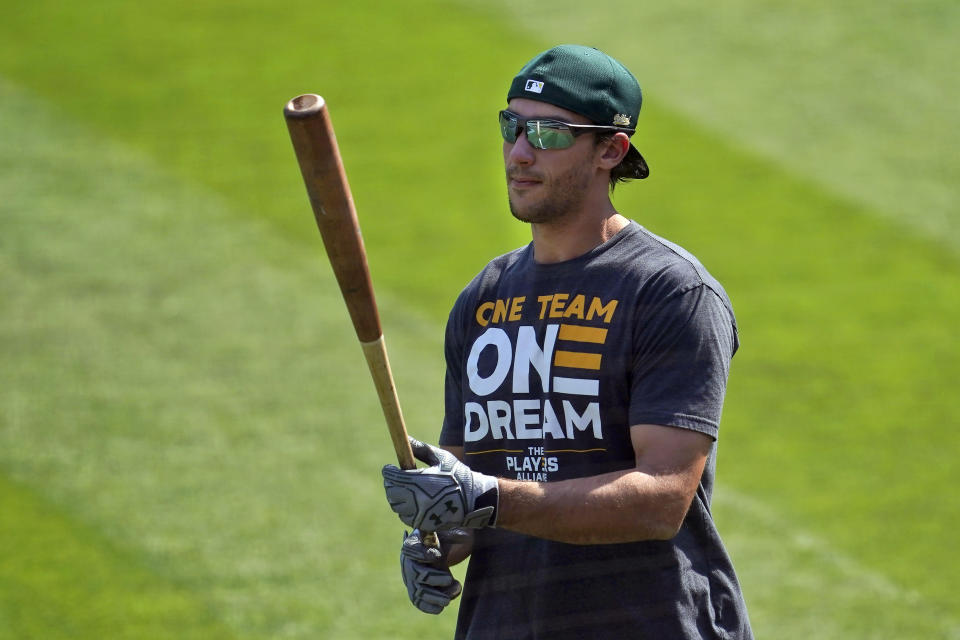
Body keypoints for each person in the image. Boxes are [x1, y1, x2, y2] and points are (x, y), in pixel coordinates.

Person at [382, 44, 753, 639]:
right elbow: (476, 481)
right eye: (512, 126)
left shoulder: (668, 291)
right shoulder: (484, 299)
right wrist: (445, 534)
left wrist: (488, 500)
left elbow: (660, 499)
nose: (520, 153)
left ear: (611, 149)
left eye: (550, 133)